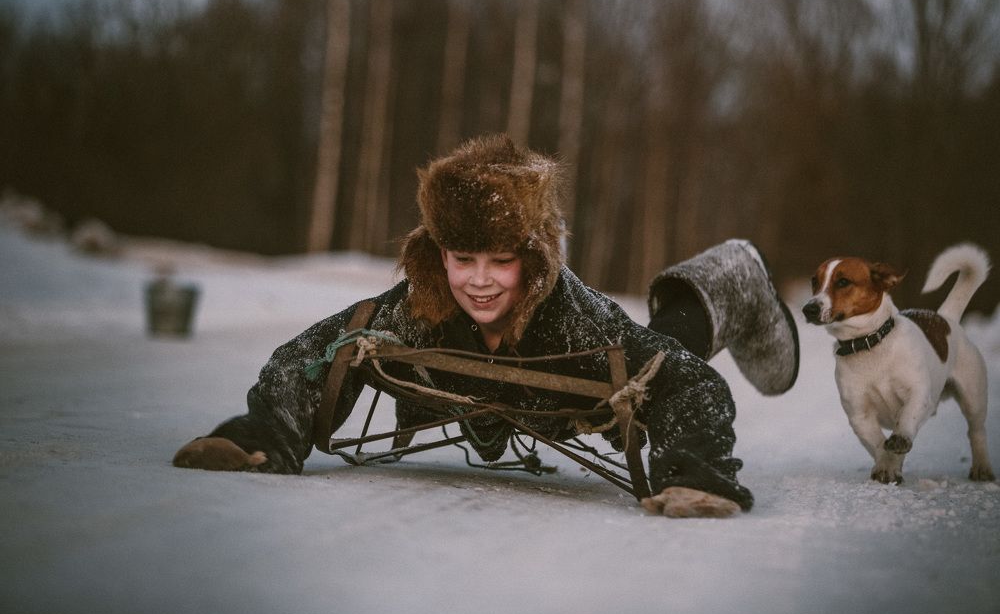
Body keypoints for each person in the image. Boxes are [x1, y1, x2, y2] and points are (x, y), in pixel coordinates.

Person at [173, 134, 799, 518]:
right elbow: (315, 355)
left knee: (662, 350)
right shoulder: (415, 306)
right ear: (436, 252)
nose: (478, 280)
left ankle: (727, 278)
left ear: (532, 258)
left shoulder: (577, 318)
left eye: (501, 261)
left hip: (566, 396)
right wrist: (262, 434)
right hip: (481, 397)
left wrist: (692, 472)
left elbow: (687, 385)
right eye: (461, 259)